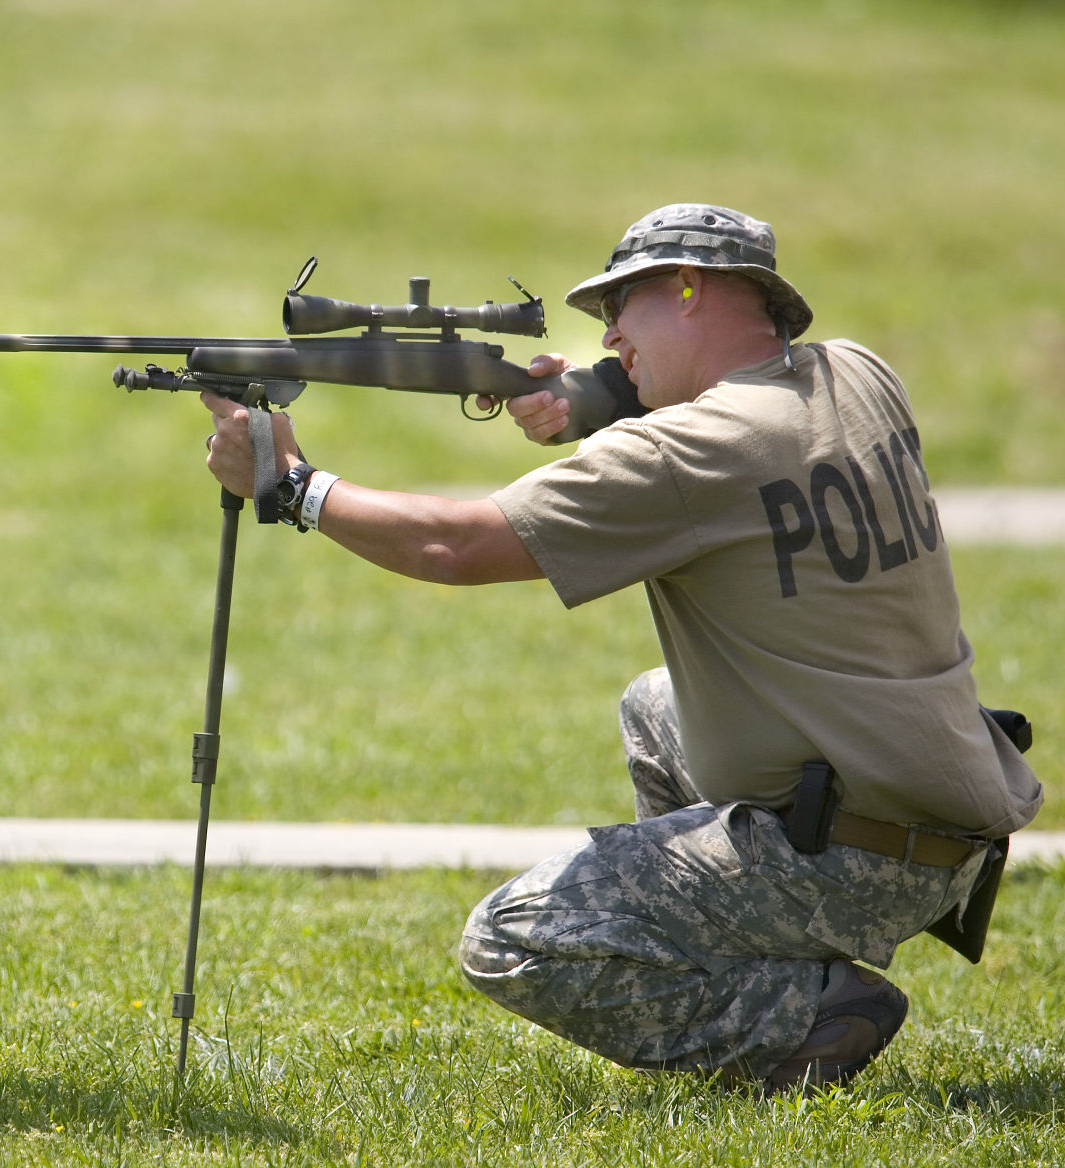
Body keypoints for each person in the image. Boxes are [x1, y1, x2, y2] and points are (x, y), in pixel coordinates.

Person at [200, 204, 1042, 1092]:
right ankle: (730, 946)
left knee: (511, 936)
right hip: (948, 818)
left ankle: (804, 1016)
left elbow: (451, 544)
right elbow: (727, 421)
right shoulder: (860, 375)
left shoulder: (688, 452)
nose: (608, 332)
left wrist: (292, 485)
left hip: (857, 855)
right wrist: (587, 401)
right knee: (655, 702)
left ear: (688, 288)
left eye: (621, 306)